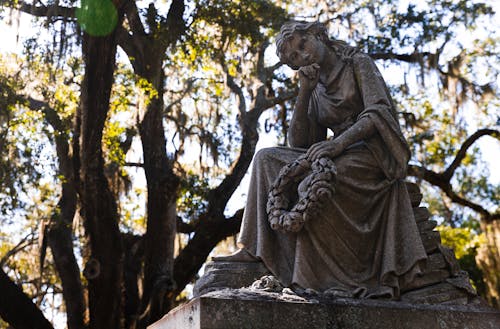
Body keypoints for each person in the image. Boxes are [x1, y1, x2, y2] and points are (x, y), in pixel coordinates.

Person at [215, 21, 427, 299]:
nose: (301, 56)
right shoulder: (315, 86)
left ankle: (315, 279)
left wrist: (338, 144)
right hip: (335, 152)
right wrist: (304, 91)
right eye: (293, 58)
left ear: (317, 35)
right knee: (266, 158)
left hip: (370, 155)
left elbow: (377, 113)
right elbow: (301, 143)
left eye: (302, 46)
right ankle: (254, 249)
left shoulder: (357, 63)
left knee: (315, 183)